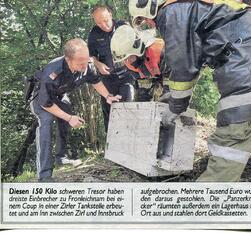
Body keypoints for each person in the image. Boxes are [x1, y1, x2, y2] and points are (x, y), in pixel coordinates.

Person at [129, 0, 251, 182]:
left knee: (232, 134)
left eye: (144, 18)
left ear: (151, 6)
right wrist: (174, 97)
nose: (148, 23)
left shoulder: (172, 12)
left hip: (249, 56)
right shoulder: (188, 6)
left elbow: (184, 67)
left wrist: (175, 107)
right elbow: (194, 56)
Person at [30, 38, 121, 182]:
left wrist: (108, 96)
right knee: (46, 123)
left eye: (86, 60)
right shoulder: (53, 72)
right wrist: (69, 117)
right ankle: (44, 174)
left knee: (66, 114)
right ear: (68, 59)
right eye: (80, 62)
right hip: (42, 100)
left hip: (60, 96)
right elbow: (46, 103)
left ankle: (61, 158)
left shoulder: (87, 65)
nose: (84, 65)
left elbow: (95, 81)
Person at [88, 4, 136, 132]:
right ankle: (111, 143)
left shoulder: (123, 26)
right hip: (108, 78)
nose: (103, 25)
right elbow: (90, 56)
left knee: (128, 98)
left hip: (127, 74)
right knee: (108, 110)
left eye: (105, 20)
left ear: (110, 14)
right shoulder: (94, 33)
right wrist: (98, 64)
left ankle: (128, 136)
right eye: (99, 22)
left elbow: (138, 46)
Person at [110, 24, 171, 102]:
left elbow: (175, 81)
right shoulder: (128, 62)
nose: (127, 62)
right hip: (152, 73)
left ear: (137, 49)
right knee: (141, 101)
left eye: (129, 57)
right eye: (124, 59)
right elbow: (142, 87)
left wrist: (167, 97)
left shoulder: (160, 51)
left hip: (173, 73)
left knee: (169, 100)